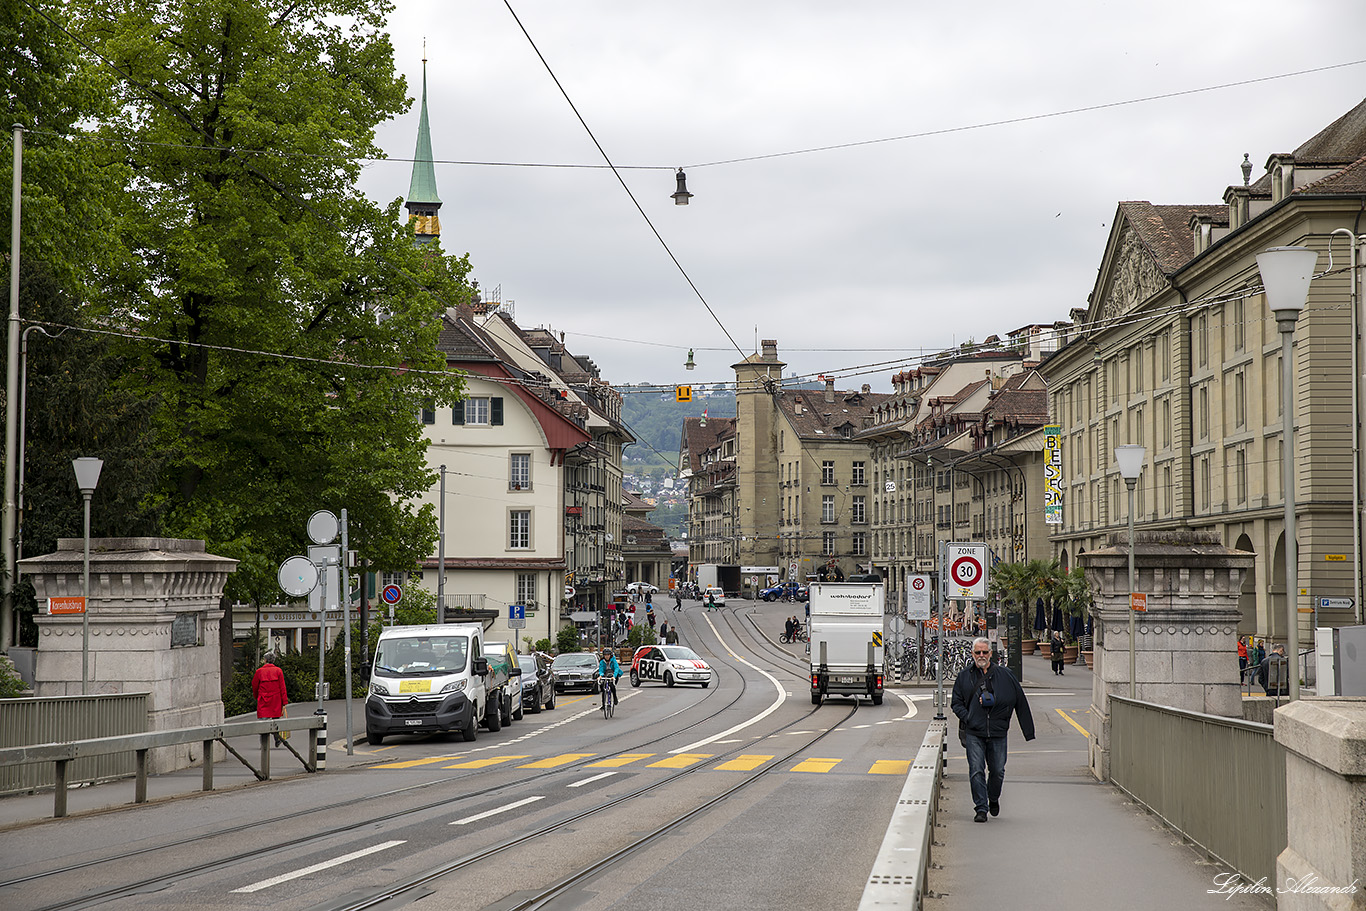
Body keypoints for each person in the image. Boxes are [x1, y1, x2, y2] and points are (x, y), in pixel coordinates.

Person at [951, 636, 1035, 823]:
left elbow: (1019, 700)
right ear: (972, 654)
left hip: (998, 732)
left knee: (997, 771)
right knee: (976, 770)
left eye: (985, 652)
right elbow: (956, 703)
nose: (981, 655)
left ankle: (993, 797)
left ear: (991, 654)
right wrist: (969, 717)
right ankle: (981, 808)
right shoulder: (964, 676)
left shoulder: (1005, 676)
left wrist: (1027, 731)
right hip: (974, 732)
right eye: (978, 652)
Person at [252, 652, 289, 747]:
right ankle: (277, 739)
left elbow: (254, 685)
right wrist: (284, 701)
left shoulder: (259, 671)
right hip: (276, 699)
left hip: (263, 699)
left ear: (265, 660)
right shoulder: (278, 671)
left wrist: (256, 696)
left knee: (263, 722)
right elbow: (282, 687)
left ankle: (264, 743)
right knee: (276, 721)